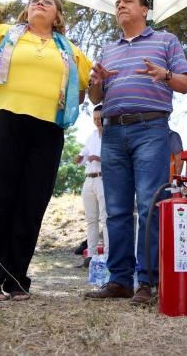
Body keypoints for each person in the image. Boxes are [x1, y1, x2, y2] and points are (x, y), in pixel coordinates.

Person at [0, 0, 91, 301]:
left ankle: (16, 276)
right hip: (3, 120)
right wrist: (1, 102)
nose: (39, 3)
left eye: (47, 2)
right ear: (26, 9)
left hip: (48, 128)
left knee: (32, 202)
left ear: (57, 15)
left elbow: (80, 94)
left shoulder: (71, 51)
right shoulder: (2, 35)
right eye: (35, 0)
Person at [85, 0, 187, 305]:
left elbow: (184, 84)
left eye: (127, 1)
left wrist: (165, 74)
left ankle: (147, 281)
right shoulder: (107, 49)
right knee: (115, 211)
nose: (120, 6)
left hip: (151, 129)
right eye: (117, 3)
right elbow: (95, 98)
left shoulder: (166, 41)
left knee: (148, 205)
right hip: (113, 133)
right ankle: (119, 281)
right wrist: (96, 84)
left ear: (145, 10)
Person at [74, 104, 107, 268]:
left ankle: (107, 255)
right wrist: (79, 158)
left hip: (103, 178)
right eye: (94, 118)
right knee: (90, 219)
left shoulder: (110, 136)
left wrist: (97, 158)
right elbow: (82, 155)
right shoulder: (91, 136)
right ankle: (91, 255)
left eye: (99, 118)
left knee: (105, 218)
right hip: (89, 178)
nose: (97, 121)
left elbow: (115, 160)